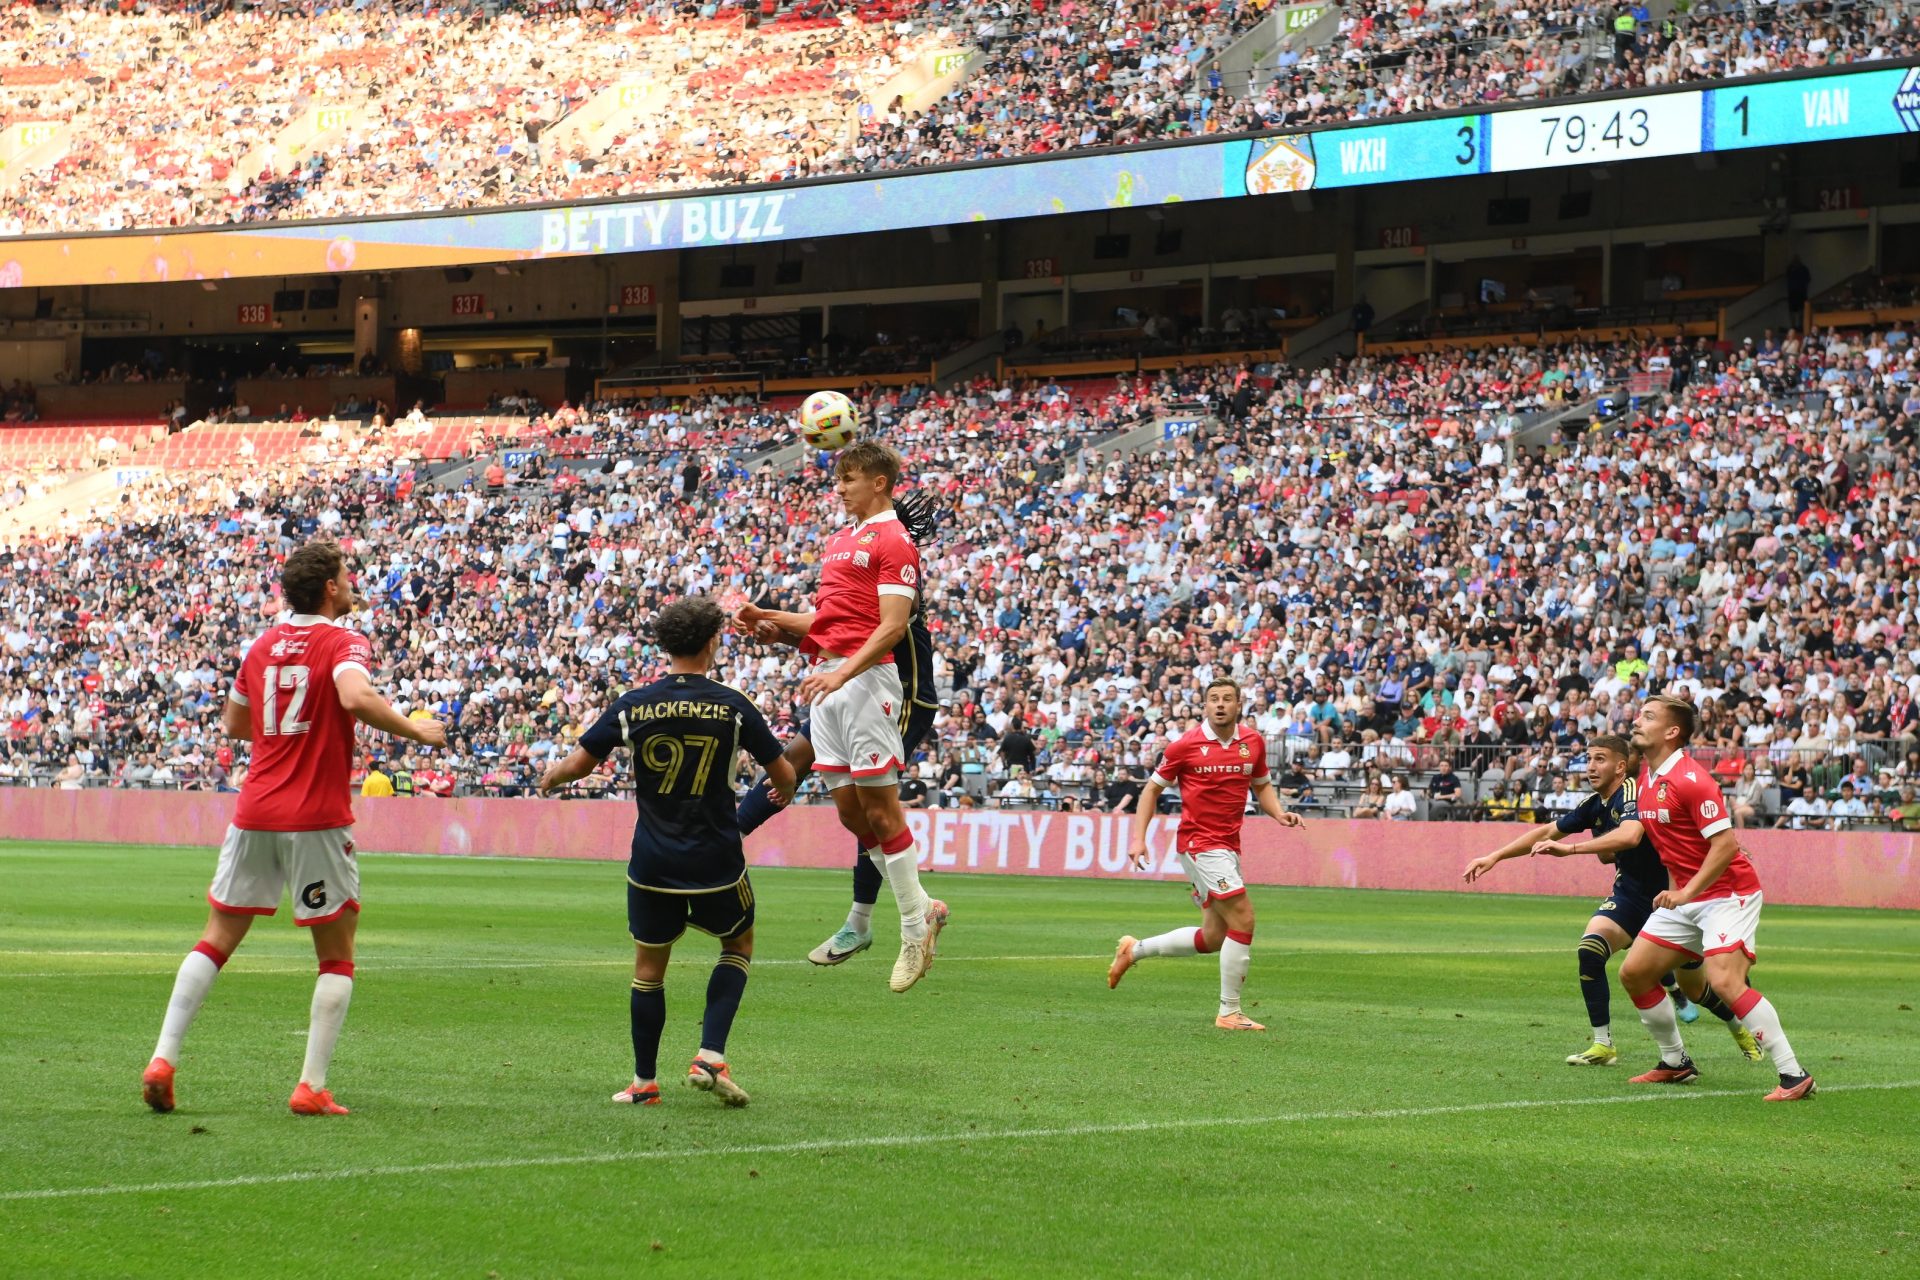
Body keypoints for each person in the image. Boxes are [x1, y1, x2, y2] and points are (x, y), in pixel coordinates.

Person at [141, 540, 448, 1117]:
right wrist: (414, 730)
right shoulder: (344, 640)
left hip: (254, 810)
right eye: (347, 576)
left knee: (216, 937)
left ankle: (163, 1058)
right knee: (336, 951)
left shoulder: (262, 646)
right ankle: (310, 1086)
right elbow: (355, 696)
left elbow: (235, 723)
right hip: (316, 818)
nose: (353, 583)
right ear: (330, 588)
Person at [539, 597, 794, 1107]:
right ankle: (710, 1054)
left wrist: (553, 777)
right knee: (737, 946)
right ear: (711, 643)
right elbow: (782, 775)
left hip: (652, 862)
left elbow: (580, 765)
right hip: (716, 859)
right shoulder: (733, 704)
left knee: (648, 970)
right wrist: (780, 791)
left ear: (665, 645)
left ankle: (643, 1083)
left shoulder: (634, 703)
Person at [734, 441, 945, 992]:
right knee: (850, 814)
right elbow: (826, 619)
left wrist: (843, 673)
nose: (839, 486)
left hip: (865, 683)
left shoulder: (896, 539)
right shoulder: (839, 541)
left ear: (879, 482)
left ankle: (910, 927)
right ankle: (921, 908)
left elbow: (894, 627)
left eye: (849, 478)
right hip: (830, 682)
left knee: (879, 811)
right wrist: (769, 617)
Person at [1537, 696, 1814, 1101]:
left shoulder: (1690, 778)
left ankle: (1794, 1075)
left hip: (1727, 893)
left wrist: (1685, 891)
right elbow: (1669, 844)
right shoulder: (1647, 778)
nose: (1637, 720)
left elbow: (1724, 844)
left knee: (1724, 981)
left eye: (1648, 716)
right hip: (1686, 897)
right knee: (1635, 973)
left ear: (1672, 732)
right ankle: (1675, 1062)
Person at [1465, 735, 1760, 1067]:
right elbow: (1547, 831)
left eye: (1600, 759)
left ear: (1621, 766)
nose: (1591, 766)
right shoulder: (1594, 804)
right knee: (1590, 949)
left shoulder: (1634, 793)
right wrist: (1496, 856)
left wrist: (1573, 849)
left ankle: (1738, 1027)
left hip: (1671, 899)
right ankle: (1603, 1044)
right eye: (1589, 759)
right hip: (1631, 896)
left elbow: (1631, 834)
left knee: (1697, 990)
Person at [1107, 678, 1304, 1030]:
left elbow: (1262, 786)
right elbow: (1150, 792)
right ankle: (1229, 1011)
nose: (1220, 705)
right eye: (1214, 699)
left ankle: (1133, 950)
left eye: (1227, 699)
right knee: (1243, 919)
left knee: (1214, 937)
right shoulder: (1186, 745)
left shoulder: (1252, 742)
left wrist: (1279, 813)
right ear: (1204, 705)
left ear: (1238, 705)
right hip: (1200, 844)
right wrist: (1139, 839)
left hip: (1227, 846)